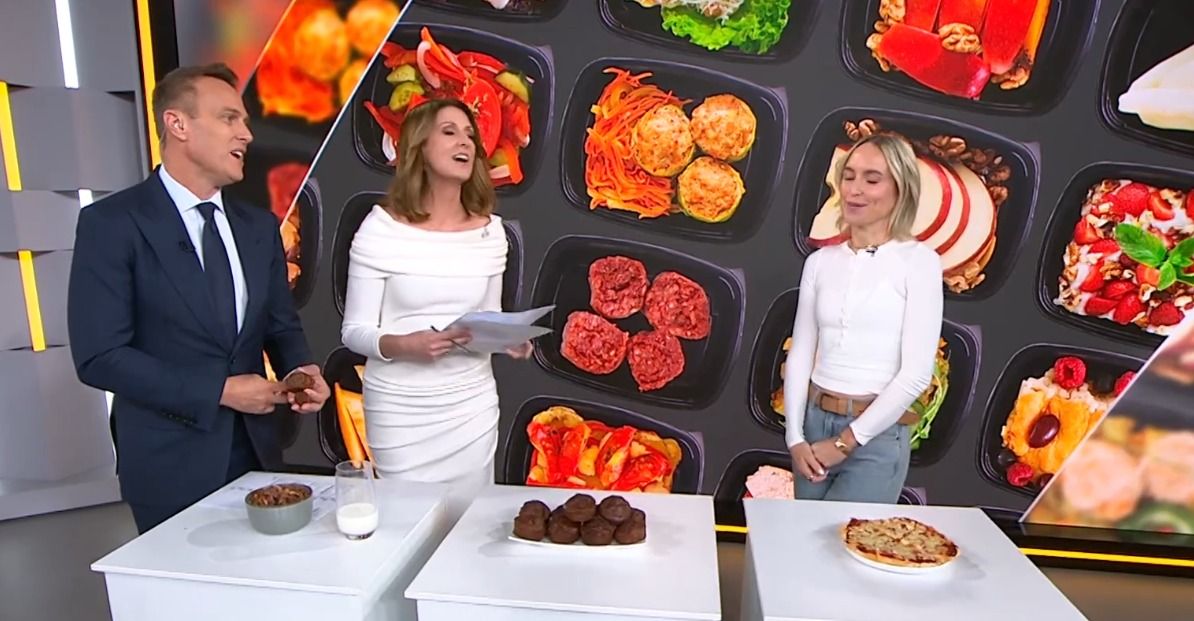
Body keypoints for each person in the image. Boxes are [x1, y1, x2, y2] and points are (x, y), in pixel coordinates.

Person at [67, 63, 330, 533]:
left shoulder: (257, 227)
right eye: (229, 118)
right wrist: (220, 391)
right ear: (178, 124)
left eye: (244, 121)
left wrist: (302, 370)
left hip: (257, 453)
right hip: (169, 462)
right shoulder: (112, 224)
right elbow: (100, 357)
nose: (246, 134)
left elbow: (280, 324)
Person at [340, 99, 532, 521]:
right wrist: (405, 345)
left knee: (469, 528)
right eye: (449, 131)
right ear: (419, 147)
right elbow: (354, 331)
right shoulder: (381, 229)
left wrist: (507, 339)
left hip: (469, 408)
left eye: (470, 135)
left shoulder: (490, 233)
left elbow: (486, 318)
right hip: (401, 412)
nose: (465, 142)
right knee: (405, 525)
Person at [783, 133, 943, 504]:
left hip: (877, 435)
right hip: (813, 424)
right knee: (802, 533)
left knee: (847, 538)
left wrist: (846, 442)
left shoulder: (919, 262)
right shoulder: (820, 262)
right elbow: (801, 353)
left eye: (872, 180)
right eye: (849, 176)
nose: (855, 189)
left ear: (901, 190)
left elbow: (917, 374)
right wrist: (794, 437)